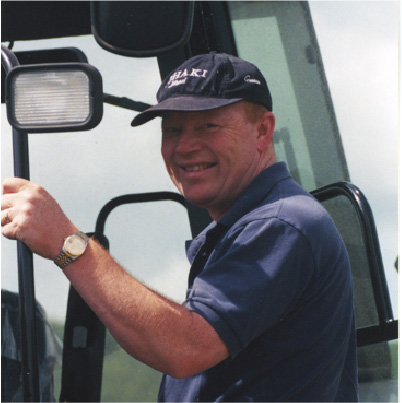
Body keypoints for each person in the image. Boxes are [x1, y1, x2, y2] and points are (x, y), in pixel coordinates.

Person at [1, 52, 357, 401]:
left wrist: (67, 243)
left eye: (208, 126)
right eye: (172, 130)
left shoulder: (282, 224)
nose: (184, 146)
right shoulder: (248, 227)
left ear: (263, 131)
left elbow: (185, 348)